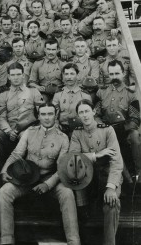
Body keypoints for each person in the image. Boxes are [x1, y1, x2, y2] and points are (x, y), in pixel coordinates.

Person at [0, 102, 81, 245]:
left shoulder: (63, 138)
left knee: (67, 193)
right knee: (4, 192)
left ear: (55, 116)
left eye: (50, 114)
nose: (46, 118)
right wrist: (4, 170)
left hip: (49, 177)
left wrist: (48, 185)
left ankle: (74, 241)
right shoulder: (29, 132)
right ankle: (6, 240)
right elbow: (16, 154)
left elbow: (62, 167)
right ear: (39, 116)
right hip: (27, 177)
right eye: (43, 114)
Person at [69, 99, 123, 245]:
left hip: (107, 174)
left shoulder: (107, 130)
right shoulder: (77, 133)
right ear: (78, 115)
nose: (85, 115)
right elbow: (72, 159)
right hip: (88, 177)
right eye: (81, 112)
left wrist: (111, 187)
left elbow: (116, 162)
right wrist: (95, 155)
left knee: (111, 204)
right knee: (80, 205)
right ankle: (83, 210)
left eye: (87, 111)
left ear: (93, 111)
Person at [95, 60, 141, 184]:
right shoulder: (101, 92)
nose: (114, 77)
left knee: (135, 137)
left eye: (117, 73)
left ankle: (139, 173)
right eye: (111, 74)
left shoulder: (130, 94)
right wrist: (103, 127)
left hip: (125, 129)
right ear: (108, 75)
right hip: (107, 130)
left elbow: (135, 118)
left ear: (123, 73)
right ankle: (127, 180)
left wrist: (123, 128)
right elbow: (96, 115)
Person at [0, 62, 44, 167]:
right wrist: (9, 131)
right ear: (8, 77)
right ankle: (0, 167)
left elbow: (42, 114)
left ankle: (25, 168)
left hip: (27, 130)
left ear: (23, 75)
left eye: (18, 74)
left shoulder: (33, 92)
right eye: (13, 75)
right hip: (10, 131)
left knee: (25, 136)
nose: (16, 77)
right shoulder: (3, 95)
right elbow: (2, 118)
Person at [52, 63, 92, 137]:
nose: (69, 77)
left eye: (72, 74)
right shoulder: (58, 94)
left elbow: (89, 117)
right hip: (62, 130)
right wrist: (56, 126)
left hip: (80, 130)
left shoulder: (84, 94)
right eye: (66, 74)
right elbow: (54, 114)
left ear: (77, 75)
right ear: (63, 76)